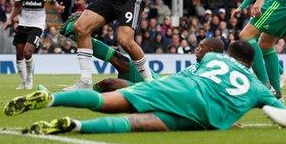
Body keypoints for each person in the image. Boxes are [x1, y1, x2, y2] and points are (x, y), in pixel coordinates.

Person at [4, 41, 285, 135]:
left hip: (170, 88)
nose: (197, 49)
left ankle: (52, 99)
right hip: (198, 113)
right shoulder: (254, 86)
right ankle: (76, 126)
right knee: (135, 123)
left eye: (201, 47)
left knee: (109, 96)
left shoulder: (211, 59)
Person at [231, 0, 286, 90]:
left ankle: (265, 81)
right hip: (260, 13)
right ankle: (280, 73)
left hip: (274, 13)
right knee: (258, 44)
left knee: (248, 38)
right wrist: (240, 7)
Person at [3, 0, 64, 89]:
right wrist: (10, 19)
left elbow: (53, 2)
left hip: (37, 25)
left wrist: (58, 7)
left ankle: (30, 78)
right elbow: (16, 7)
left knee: (27, 52)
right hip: (23, 24)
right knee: (19, 54)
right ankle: (23, 81)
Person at [93, 37, 224, 92]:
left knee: (109, 83)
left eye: (201, 47)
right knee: (122, 60)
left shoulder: (211, 74)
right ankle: (77, 34)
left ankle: (86, 93)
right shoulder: (199, 64)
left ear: (210, 51)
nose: (197, 48)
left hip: (160, 92)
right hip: (157, 80)